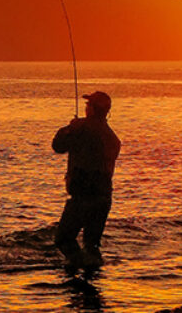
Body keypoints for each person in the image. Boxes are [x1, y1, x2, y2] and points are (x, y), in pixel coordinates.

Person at [51, 91, 121, 269]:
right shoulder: (113, 138)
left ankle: (75, 270)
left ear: (92, 109)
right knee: (92, 244)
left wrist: (70, 128)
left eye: (88, 105)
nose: (86, 108)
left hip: (83, 196)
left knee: (64, 239)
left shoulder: (81, 128)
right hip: (104, 198)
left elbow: (58, 146)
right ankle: (93, 277)